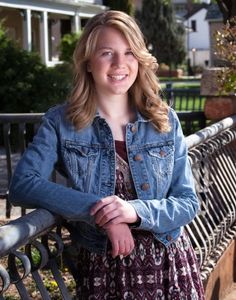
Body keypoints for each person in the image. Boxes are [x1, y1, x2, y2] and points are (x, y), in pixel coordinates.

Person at [9, 10, 205, 300]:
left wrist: (134, 211)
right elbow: (23, 184)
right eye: (106, 53)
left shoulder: (164, 121)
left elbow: (188, 203)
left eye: (128, 53)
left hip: (169, 267)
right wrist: (103, 212)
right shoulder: (61, 123)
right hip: (105, 270)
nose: (119, 64)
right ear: (88, 62)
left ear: (139, 59)